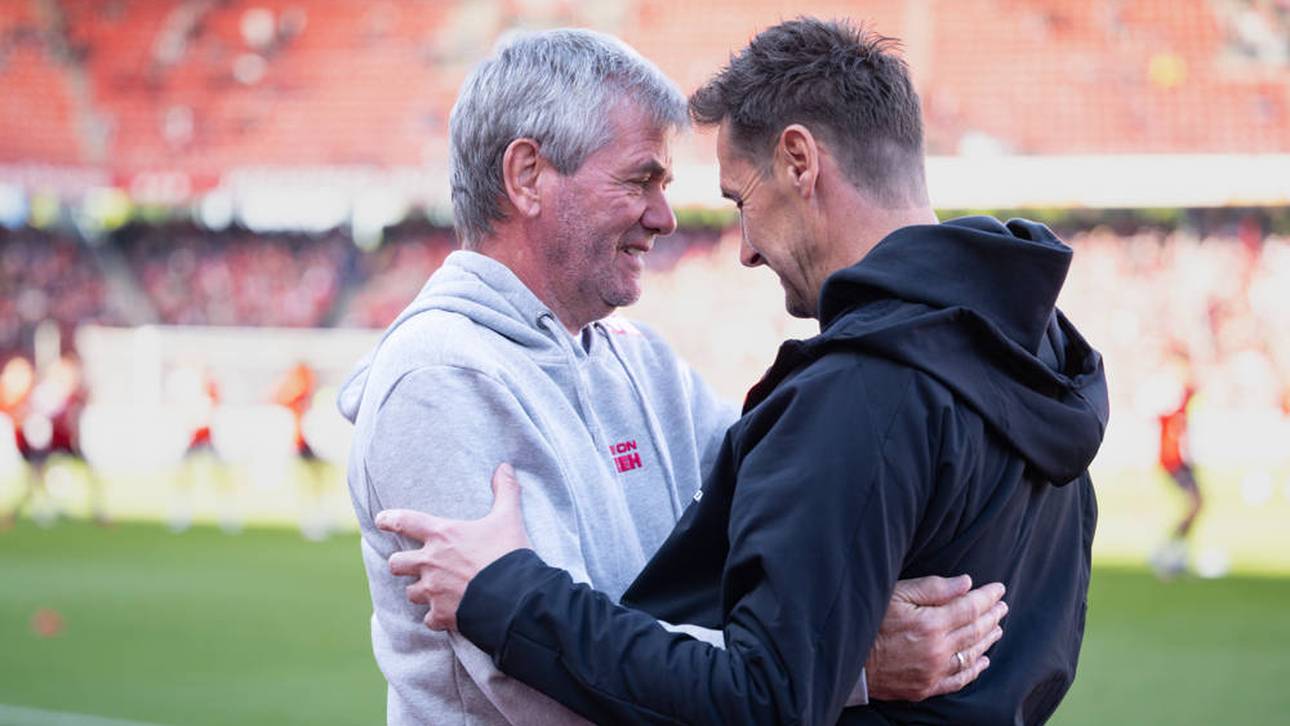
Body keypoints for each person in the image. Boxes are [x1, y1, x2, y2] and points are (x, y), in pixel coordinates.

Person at [379, 18, 1107, 725]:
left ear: (800, 162)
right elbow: (543, 700)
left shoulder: (812, 381)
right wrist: (844, 664)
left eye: (736, 200)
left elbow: (771, 673)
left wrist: (819, 662)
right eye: (640, 180)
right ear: (528, 176)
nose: (674, 222)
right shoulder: (1030, 356)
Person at [1150, 348, 1204, 578]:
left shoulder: (1185, 394)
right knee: (1195, 504)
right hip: (1173, 460)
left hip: (1182, 460)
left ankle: (1175, 551)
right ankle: (1169, 551)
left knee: (1197, 505)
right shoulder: (1169, 391)